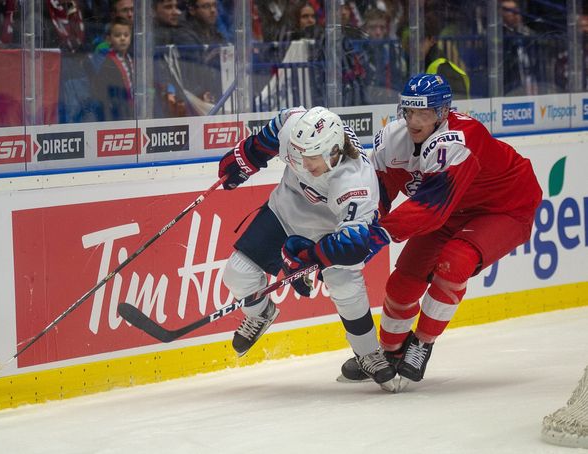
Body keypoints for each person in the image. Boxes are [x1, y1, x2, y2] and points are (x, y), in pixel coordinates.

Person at [340, 73, 542, 391]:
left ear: (443, 113)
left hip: (504, 207)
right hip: (451, 211)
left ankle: (421, 344)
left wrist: (378, 236)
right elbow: (379, 194)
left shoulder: (462, 137)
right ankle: (391, 351)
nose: (415, 121)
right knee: (403, 281)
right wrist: (360, 231)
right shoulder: (391, 141)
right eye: (409, 112)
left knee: (455, 261)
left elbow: (433, 208)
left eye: (425, 113)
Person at [217, 106, 395, 385]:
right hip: (285, 211)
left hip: (331, 231)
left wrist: (309, 257)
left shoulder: (356, 180)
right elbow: (271, 134)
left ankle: (368, 353)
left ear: (335, 152)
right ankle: (260, 312)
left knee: (344, 286)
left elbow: (354, 245)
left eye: (312, 158)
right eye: (300, 155)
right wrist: (244, 158)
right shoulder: (294, 128)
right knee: (237, 273)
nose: (304, 164)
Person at [174, 0, 228, 109]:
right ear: (192, 10)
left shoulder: (215, 33)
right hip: (193, 98)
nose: (213, 10)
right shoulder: (183, 33)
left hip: (215, 94)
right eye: (206, 6)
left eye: (214, 6)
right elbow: (197, 66)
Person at [93, 16, 135, 121]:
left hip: (130, 109)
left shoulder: (130, 58)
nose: (122, 38)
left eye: (126, 35)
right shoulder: (107, 62)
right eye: (117, 35)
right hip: (116, 112)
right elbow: (103, 91)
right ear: (109, 39)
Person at [421, 13, 470, 99]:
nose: (414, 45)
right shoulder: (425, 63)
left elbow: (454, 104)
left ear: (432, 40)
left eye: (420, 40)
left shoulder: (442, 69)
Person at [501, 0, 539, 95]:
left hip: (529, 83)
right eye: (509, 10)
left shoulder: (528, 33)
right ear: (501, 14)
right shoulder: (499, 33)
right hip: (509, 85)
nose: (515, 13)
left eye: (516, 10)